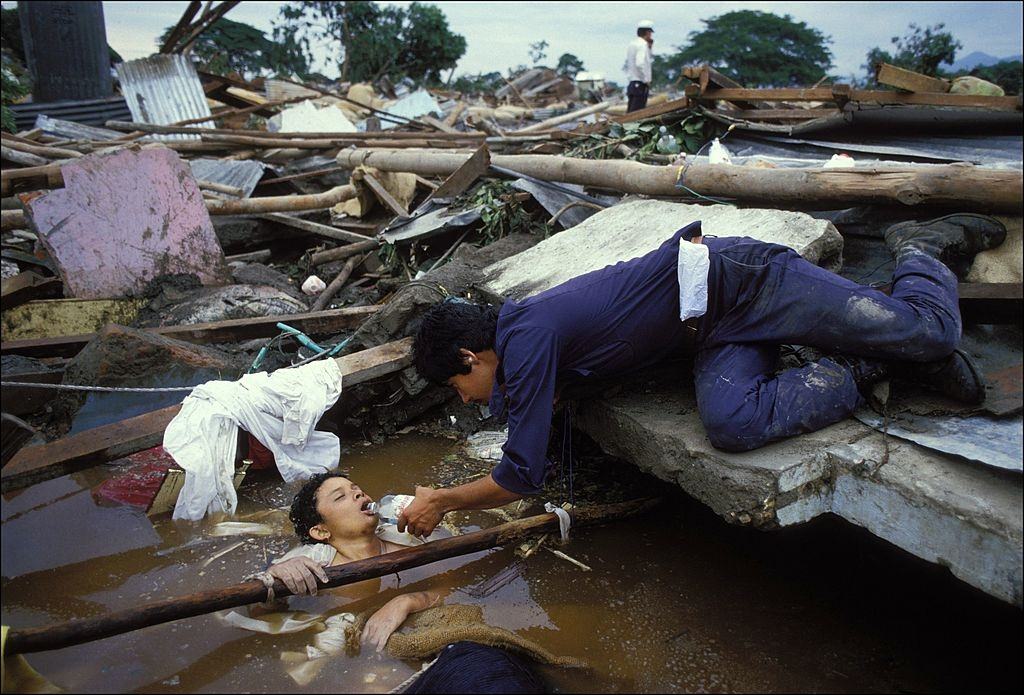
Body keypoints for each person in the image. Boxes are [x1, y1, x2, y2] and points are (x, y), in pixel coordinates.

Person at [397, 215, 1007, 537]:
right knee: (732, 424)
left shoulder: (525, 340)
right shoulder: (522, 340)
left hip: (748, 281)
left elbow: (521, 475)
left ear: (471, 359)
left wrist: (442, 501)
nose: (471, 400)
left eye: (459, 389)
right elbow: (522, 415)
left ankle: (922, 249)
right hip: (716, 330)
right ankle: (868, 363)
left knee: (932, 331)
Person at [259, 472, 445, 652]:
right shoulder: (314, 564)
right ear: (321, 531)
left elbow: (453, 582)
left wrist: (408, 601)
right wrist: (278, 575)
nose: (359, 493)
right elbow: (261, 614)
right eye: (340, 497)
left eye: (357, 489)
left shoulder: (407, 539)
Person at [625, 19, 654, 112]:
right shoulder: (642, 44)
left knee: (631, 113)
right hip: (640, 84)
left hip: (632, 84)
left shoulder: (632, 44)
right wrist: (646, 80)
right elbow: (640, 63)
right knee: (637, 115)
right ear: (648, 32)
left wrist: (650, 48)